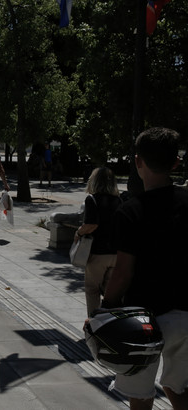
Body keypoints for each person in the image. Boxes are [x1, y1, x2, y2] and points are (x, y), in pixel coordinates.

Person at [102, 127, 188, 410]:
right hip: (185, 314)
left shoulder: (131, 211)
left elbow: (123, 272)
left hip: (145, 320)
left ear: (138, 161)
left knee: (140, 395)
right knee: (178, 386)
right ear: (176, 163)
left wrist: (106, 309)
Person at [75, 167, 122, 317]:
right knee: (110, 293)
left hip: (97, 253)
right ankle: (110, 324)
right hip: (115, 253)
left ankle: (94, 326)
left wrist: (78, 232)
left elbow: (91, 225)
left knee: (92, 289)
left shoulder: (92, 199)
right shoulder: (119, 200)